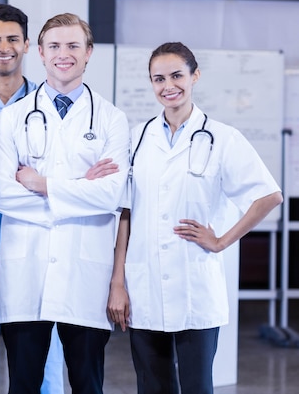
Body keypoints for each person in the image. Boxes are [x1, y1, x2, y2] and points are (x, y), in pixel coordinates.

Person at [108, 42, 283, 394]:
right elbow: (125, 211)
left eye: (176, 75)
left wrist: (220, 241)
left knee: (197, 386)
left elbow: (269, 195)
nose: (167, 85)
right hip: (144, 283)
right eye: (158, 79)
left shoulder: (222, 138)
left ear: (195, 76)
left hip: (195, 284)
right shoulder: (137, 137)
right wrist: (118, 282)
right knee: (152, 386)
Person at [0, 13, 130, 394]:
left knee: (88, 384)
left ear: (88, 54)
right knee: (23, 384)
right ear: (40, 53)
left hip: (85, 276)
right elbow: (2, 196)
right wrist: (80, 187)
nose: (63, 54)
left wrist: (41, 184)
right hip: (26, 272)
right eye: (54, 46)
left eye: (72, 46)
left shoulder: (112, 119)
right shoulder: (12, 118)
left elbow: (111, 195)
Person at [0, 4, 65, 394]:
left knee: (44, 352)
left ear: (27, 45)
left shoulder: (51, 107)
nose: (4, 47)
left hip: (34, 244)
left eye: (12, 39)